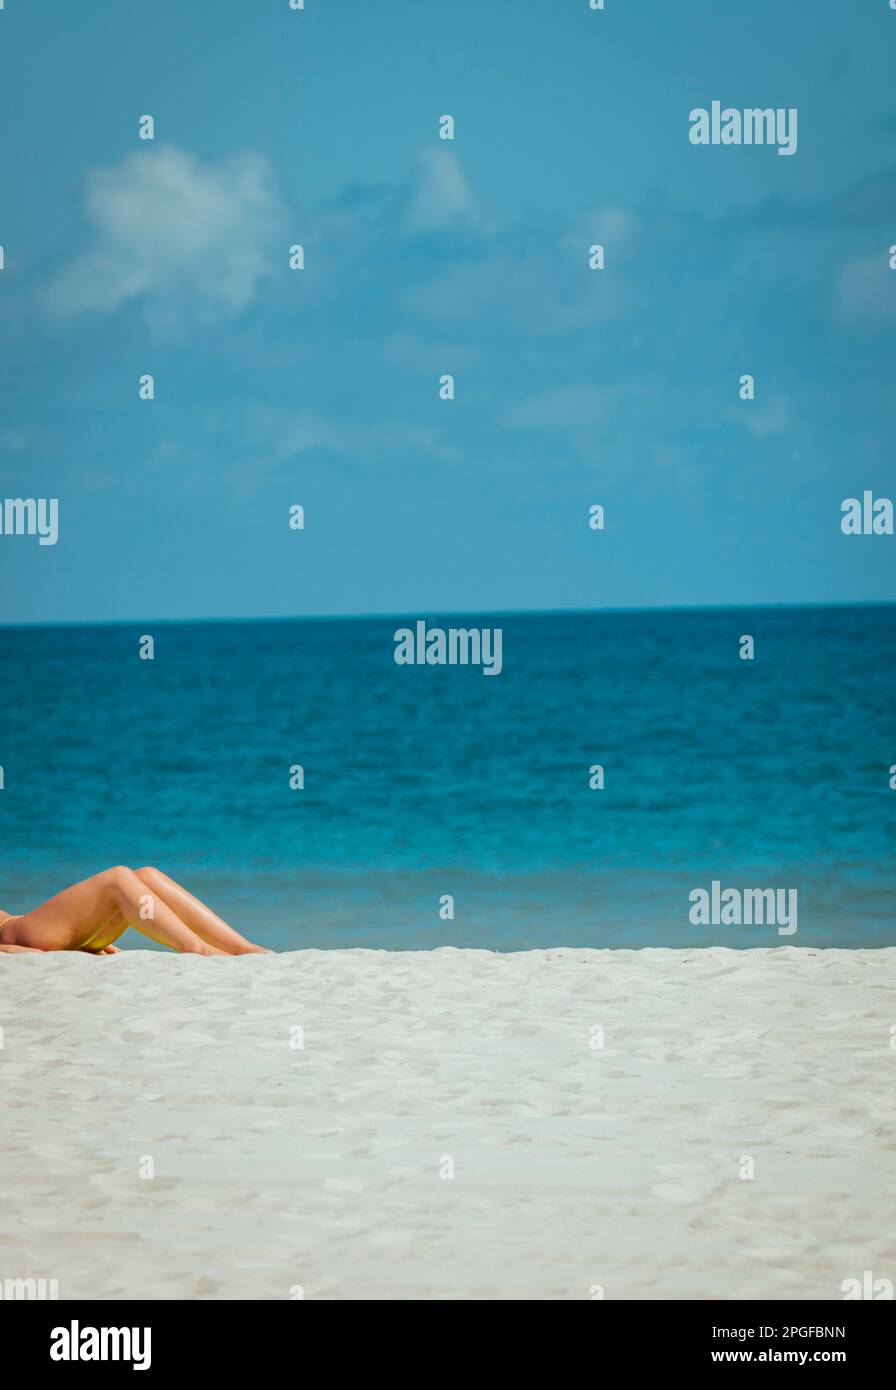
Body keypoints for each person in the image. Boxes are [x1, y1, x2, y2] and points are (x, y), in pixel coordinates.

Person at [0, 866, 266, 956]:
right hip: (22, 935)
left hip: (35, 929)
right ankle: (199, 950)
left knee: (145, 875)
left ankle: (242, 948)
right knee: (118, 879)